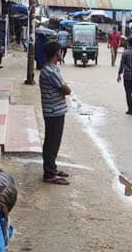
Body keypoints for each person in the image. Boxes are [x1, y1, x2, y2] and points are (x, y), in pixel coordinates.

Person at [39, 40, 72, 185]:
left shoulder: (51, 68)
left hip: (55, 110)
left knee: (54, 142)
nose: (61, 53)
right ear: (56, 53)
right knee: (51, 143)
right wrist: (65, 89)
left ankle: (52, 168)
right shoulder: (50, 71)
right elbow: (66, 90)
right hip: (53, 112)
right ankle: (49, 174)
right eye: (60, 51)